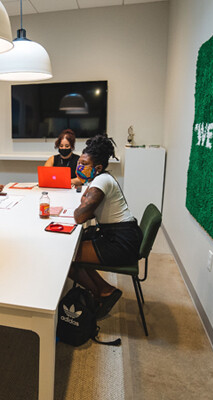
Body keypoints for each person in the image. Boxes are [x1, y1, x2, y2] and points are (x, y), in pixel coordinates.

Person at [69, 134, 143, 319]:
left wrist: (83, 204)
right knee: (75, 250)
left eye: (84, 164)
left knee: (67, 258)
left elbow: (80, 216)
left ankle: (103, 293)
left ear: (98, 167)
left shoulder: (101, 181)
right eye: (79, 162)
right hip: (121, 235)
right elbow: (86, 208)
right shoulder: (100, 178)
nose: (79, 166)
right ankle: (101, 291)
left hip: (121, 243)